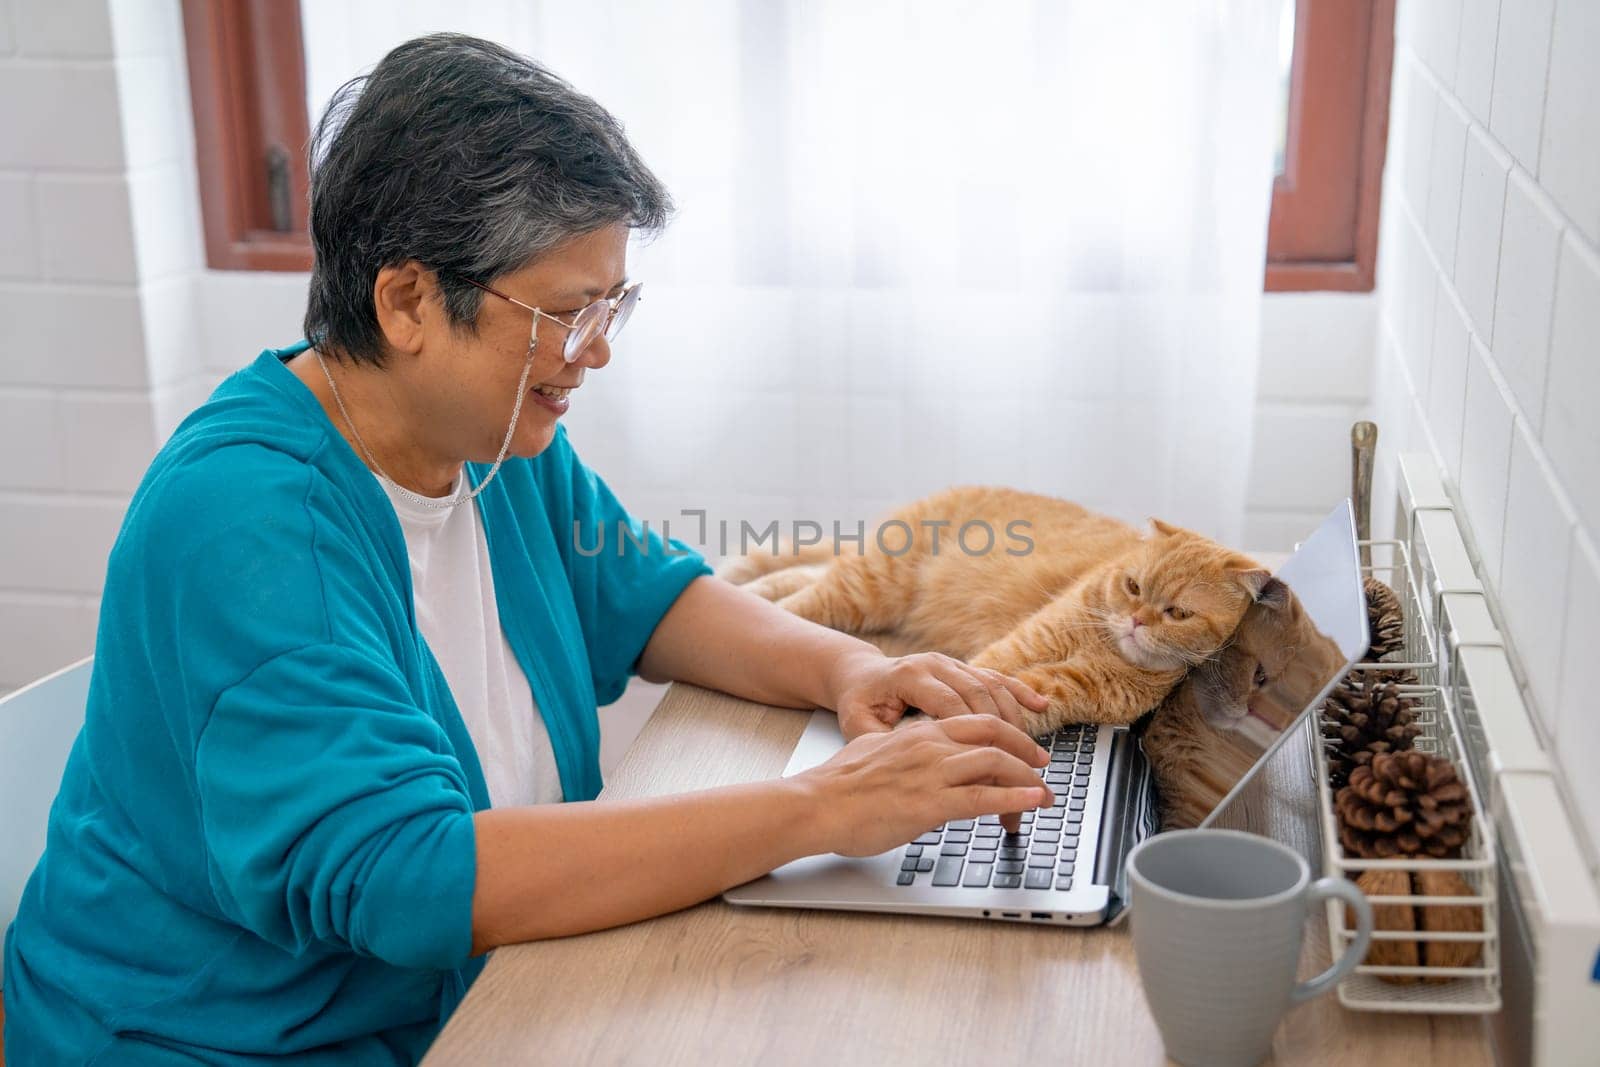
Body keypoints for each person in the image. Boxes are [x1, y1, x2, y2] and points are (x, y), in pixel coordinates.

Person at [1, 34, 1054, 1064]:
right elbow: (410, 876)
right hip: (231, 1035)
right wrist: (822, 807)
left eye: (611, 304)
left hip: (468, 993)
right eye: (565, 310)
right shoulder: (248, 526)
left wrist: (850, 667)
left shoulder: (494, 438)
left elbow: (641, 595)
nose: (594, 349)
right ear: (408, 299)